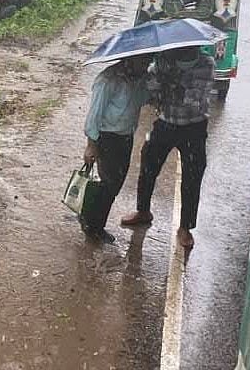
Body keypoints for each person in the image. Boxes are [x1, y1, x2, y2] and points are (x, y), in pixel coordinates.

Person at [122, 47, 215, 249]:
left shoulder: (206, 64)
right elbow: (152, 92)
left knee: (192, 176)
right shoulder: (163, 61)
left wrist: (172, 84)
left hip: (194, 126)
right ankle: (143, 211)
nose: (177, 51)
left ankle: (185, 227)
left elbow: (196, 101)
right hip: (166, 123)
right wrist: (160, 86)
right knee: (148, 165)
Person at [81, 55, 152, 244]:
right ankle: (94, 227)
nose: (146, 65)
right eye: (143, 61)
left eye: (147, 62)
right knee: (109, 184)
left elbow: (144, 99)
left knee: (114, 183)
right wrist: (91, 145)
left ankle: (90, 218)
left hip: (125, 137)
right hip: (107, 137)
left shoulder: (139, 78)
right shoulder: (108, 80)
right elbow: (94, 115)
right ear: (130, 59)